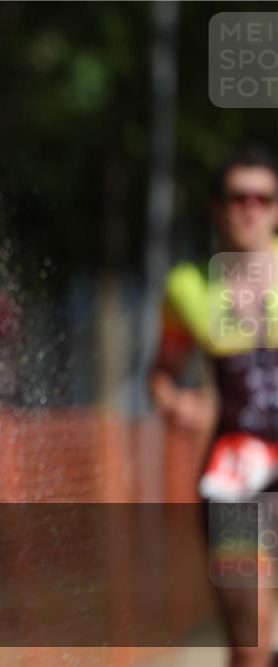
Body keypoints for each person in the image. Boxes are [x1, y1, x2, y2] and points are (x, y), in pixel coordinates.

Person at [150, 144, 278, 667]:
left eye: (263, 198)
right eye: (237, 197)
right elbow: (161, 374)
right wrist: (176, 404)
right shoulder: (187, 287)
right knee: (249, 641)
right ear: (216, 208)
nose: (250, 208)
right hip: (233, 473)